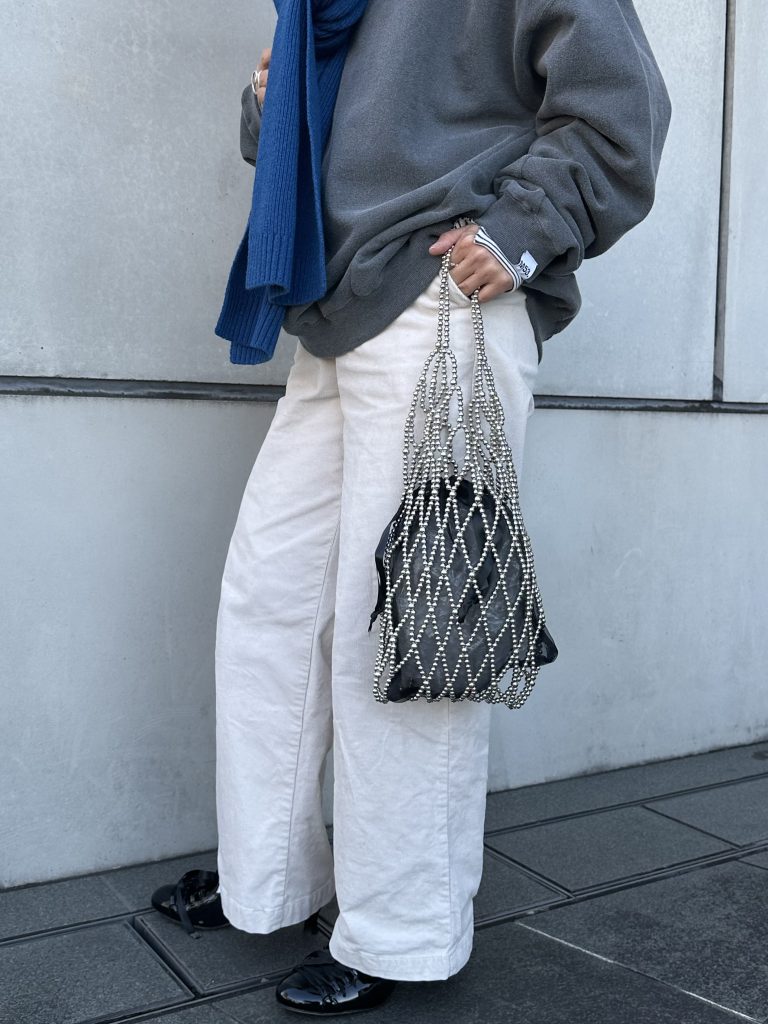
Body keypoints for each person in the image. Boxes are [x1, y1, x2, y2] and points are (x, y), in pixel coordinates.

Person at [156, 0, 671, 1015]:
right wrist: (271, 97)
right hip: (334, 305)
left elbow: (621, 109)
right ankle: (271, 879)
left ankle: (401, 928)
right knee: (271, 604)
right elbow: (301, 144)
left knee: (405, 626)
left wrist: (521, 230)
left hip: (440, 301)